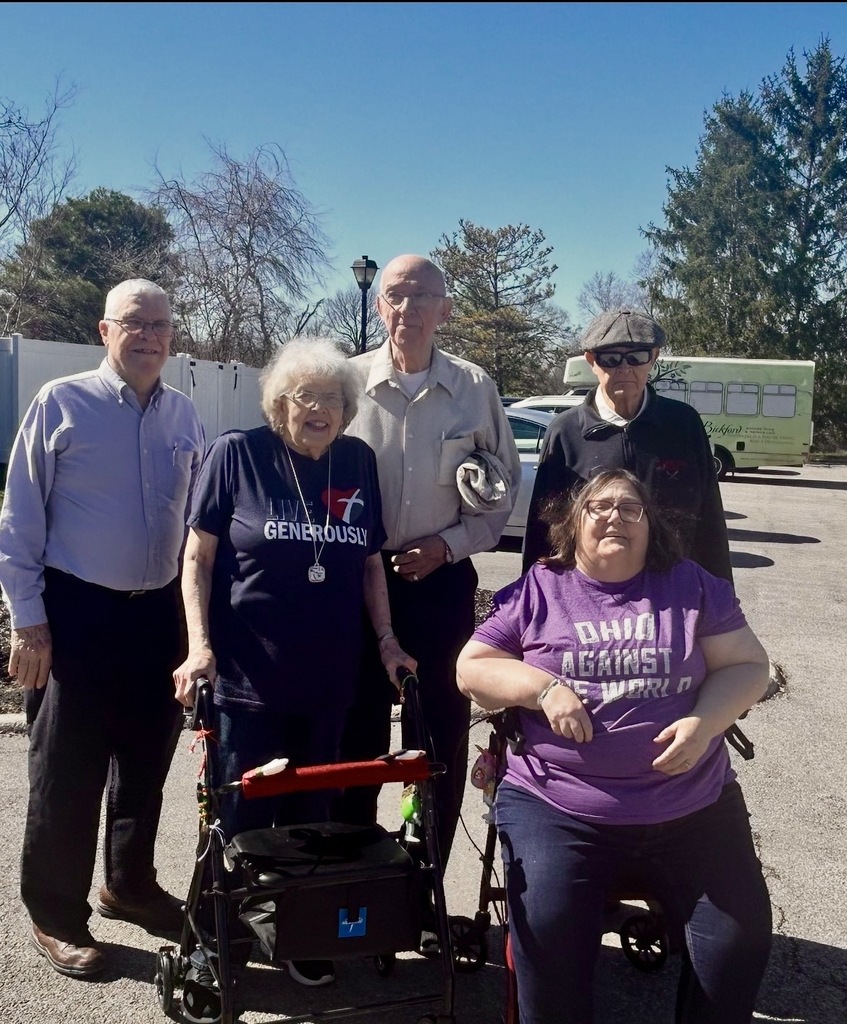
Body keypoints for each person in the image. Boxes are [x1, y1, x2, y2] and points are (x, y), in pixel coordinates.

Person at [457, 469, 772, 1024]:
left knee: (739, 940)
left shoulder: (690, 584)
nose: (615, 518)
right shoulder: (541, 589)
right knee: (548, 938)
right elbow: (472, 669)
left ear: (651, 527)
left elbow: (749, 666)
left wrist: (705, 723)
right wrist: (543, 689)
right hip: (559, 808)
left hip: (693, 807)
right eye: (598, 507)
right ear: (572, 524)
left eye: (631, 509)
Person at [172, 337, 415, 997]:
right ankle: (217, 939)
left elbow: (370, 564)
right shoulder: (238, 454)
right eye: (306, 396)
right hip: (250, 679)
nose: (320, 409)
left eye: (333, 398)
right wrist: (199, 647)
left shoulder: (356, 461)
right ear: (280, 403)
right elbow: (197, 560)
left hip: (330, 680)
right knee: (238, 820)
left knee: (313, 822)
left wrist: (387, 641)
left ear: (348, 409)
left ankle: (298, 935)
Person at [0, 279, 205, 978]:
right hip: (76, 613)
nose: (149, 336)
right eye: (134, 323)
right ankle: (56, 915)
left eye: (160, 325)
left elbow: (199, 523)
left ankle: (129, 885)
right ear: (104, 330)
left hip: (158, 615)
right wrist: (29, 622)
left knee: (146, 763)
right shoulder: (60, 403)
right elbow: (19, 519)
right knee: (66, 772)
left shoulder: (184, 414)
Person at [335, 254, 521, 872]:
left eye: (422, 297)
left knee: (437, 733)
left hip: (441, 581)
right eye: (395, 295)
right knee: (354, 731)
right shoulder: (346, 383)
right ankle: (353, 875)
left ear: (445, 310)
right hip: (356, 584)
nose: (407, 308)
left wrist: (448, 546)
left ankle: (424, 882)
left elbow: (503, 488)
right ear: (379, 305)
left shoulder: (474, 388)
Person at [522, 309, 732, 581]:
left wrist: (721, 592)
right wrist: (533, 595)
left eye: (636, 356)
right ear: (591, 361)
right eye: (610, 358)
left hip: (673, 589)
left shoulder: (683, 424)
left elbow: (710, 519)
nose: (624, 368)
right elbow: (543, 528)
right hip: (593, 593)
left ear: (653, 357)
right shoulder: (566, 431)